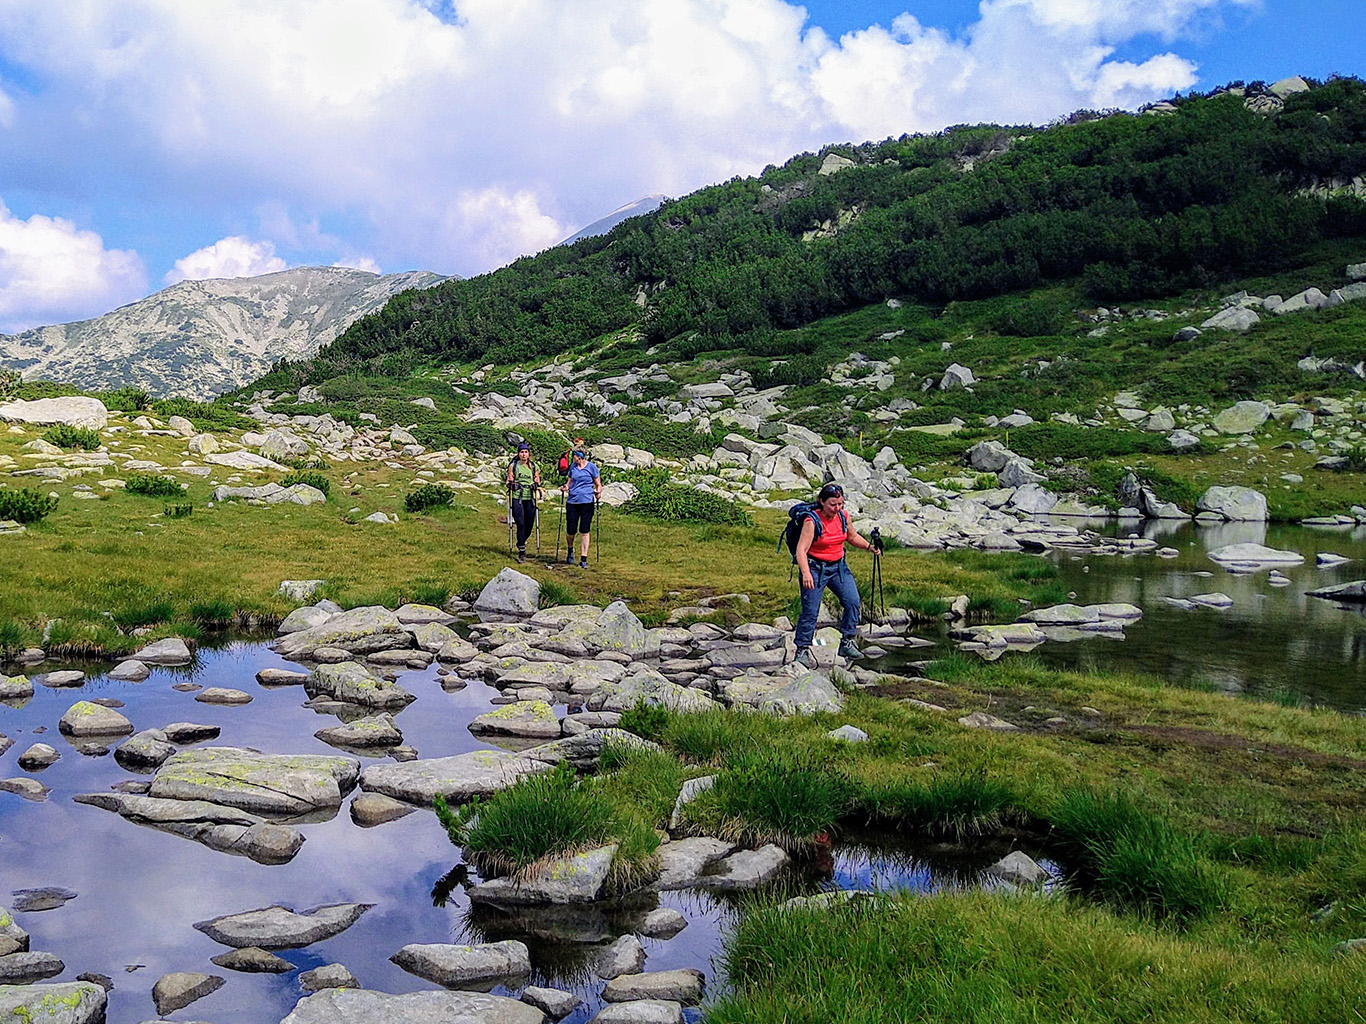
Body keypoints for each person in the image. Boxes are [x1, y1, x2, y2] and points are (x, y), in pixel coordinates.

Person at [793, 482, 882, 668]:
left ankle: (847, 641)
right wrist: (806, 573)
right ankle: (802, 649)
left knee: (853, 601)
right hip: (815, 568)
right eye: (833, 504)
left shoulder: (843, 517)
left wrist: (869, 547)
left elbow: (851, 537)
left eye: (840, 504)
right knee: (810, 611)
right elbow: (801, 550)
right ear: (822, 502)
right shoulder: (811, 521)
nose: (837, 508)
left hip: (839, 567)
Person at [561, 448, 601, 569]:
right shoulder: (573, 467)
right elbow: (569, 482)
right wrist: (565, 487)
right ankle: (570, 550)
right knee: (571, 530)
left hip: (587, 501)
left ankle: (584, 558)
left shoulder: (592, 467)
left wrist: (598, 491)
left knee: (585, 530)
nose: (572, 457)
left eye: (574, 456)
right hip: (572, 501)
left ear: (580, 456)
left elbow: (598, 484)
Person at [504, 442, 541, 563]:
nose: (524, 454)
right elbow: (508, 480)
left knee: (529, 524)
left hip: (530, 497)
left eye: (526, 452)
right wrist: (511, 485)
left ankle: (521, 542)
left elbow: (537, 479)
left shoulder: (534, 466)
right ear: (518, 453)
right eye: (521, 452)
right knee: (520, 523)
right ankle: (522, 551)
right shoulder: (513, 465)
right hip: (517, 497)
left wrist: (536, 484)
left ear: (529, 454)